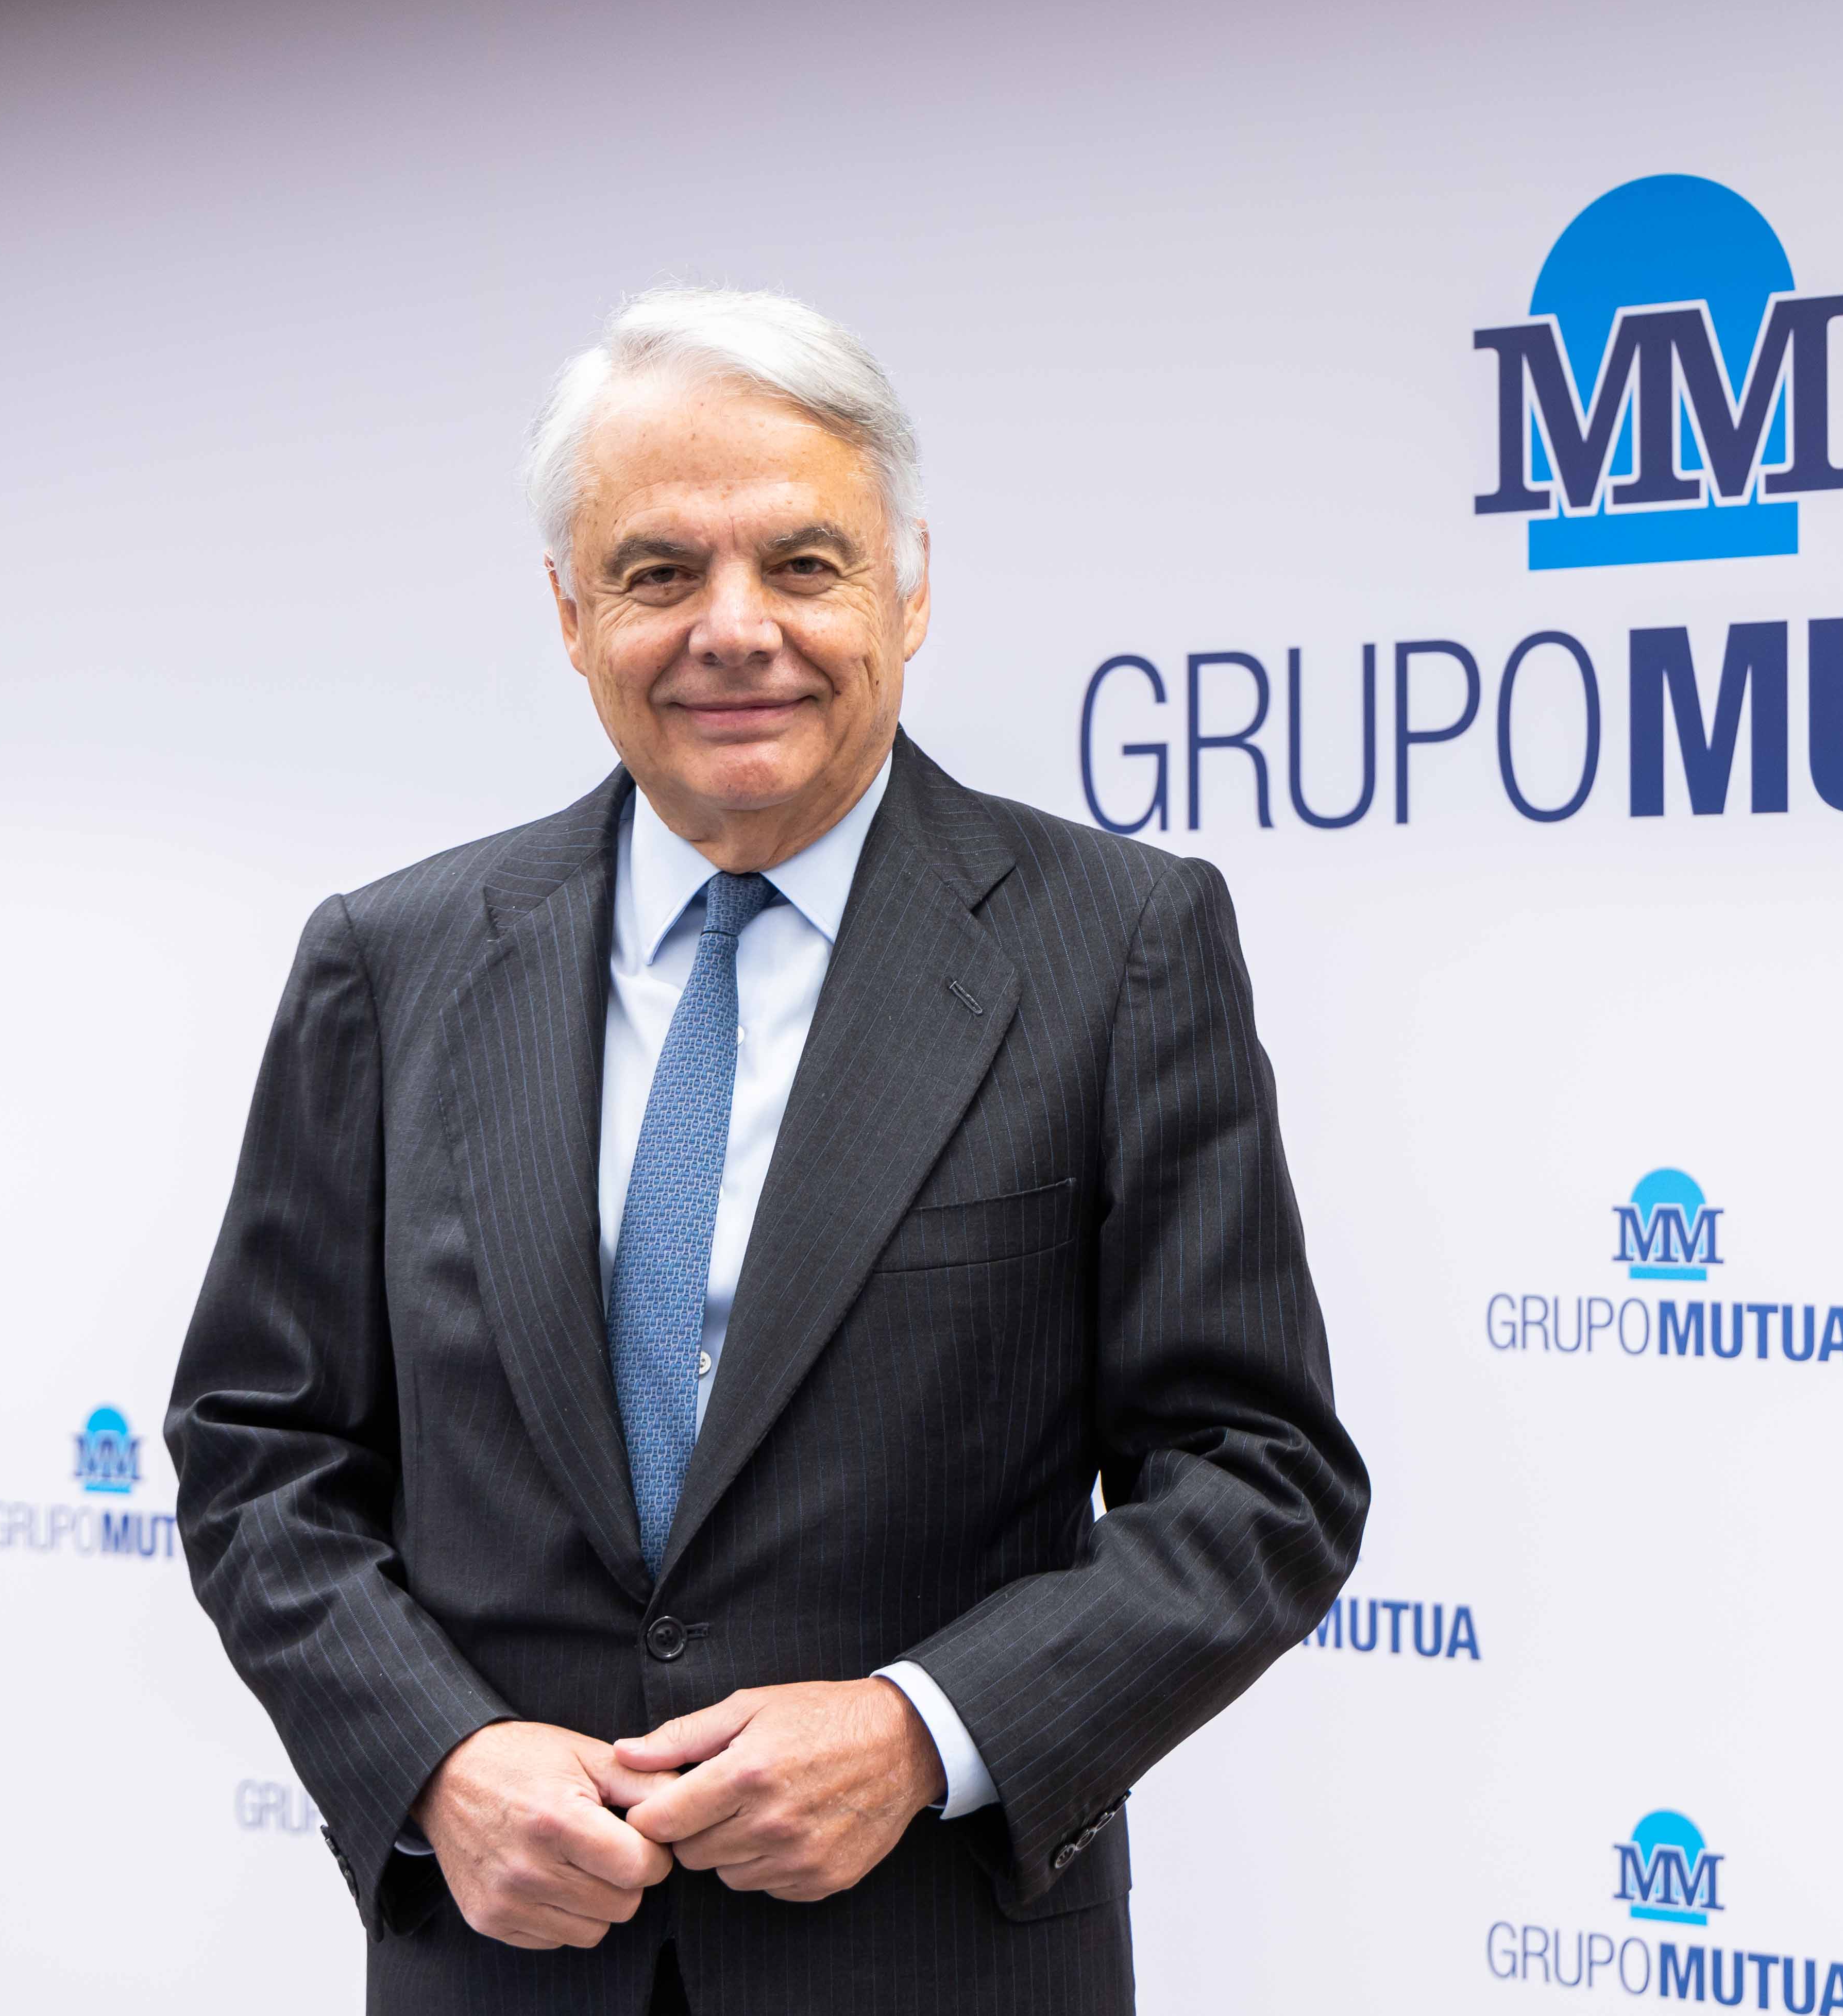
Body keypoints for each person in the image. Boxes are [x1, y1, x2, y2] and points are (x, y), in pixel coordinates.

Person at [166, 285, 1366, 2014]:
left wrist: (919, 1731)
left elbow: (1261, 1477)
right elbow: (258, 1449)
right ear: (571, 615)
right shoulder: (393, 962)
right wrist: (435, 1758)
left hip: (932, 1962)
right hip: (506, 1969)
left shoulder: (1118, 948)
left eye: (804, 564)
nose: (735, 632)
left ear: (910, 587)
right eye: (659, 573)